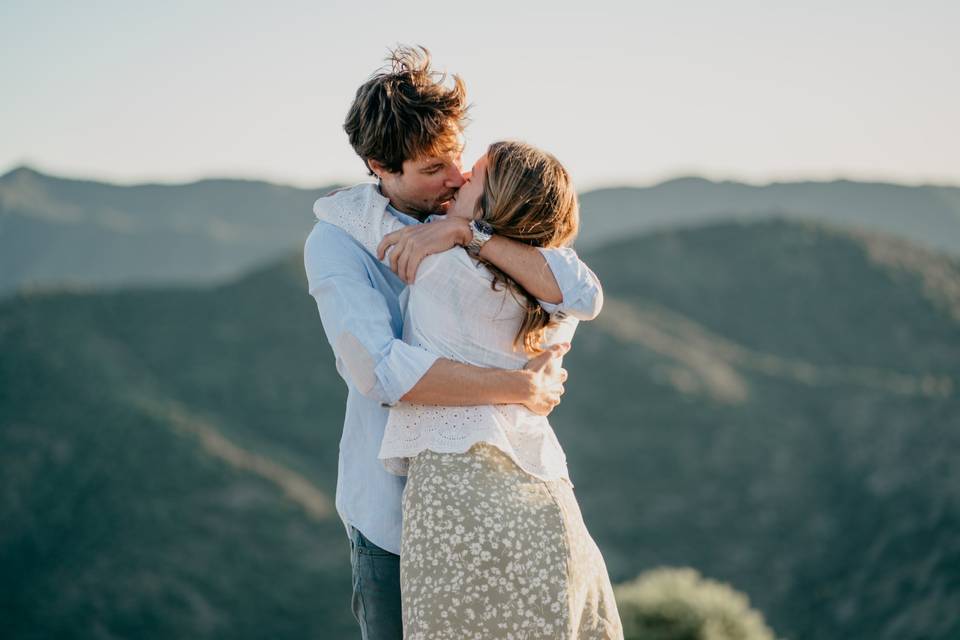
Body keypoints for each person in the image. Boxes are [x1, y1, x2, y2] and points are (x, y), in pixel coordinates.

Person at [303, 46, 605, 640]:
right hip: (390, 508)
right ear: (379, 166)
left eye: (455, 159)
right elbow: (382, 373)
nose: (455, 178)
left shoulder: (475, 216)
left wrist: (470, 231)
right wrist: (521, 387)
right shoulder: (339, 244)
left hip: (511, 490)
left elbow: (578, 289)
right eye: (431, 170)